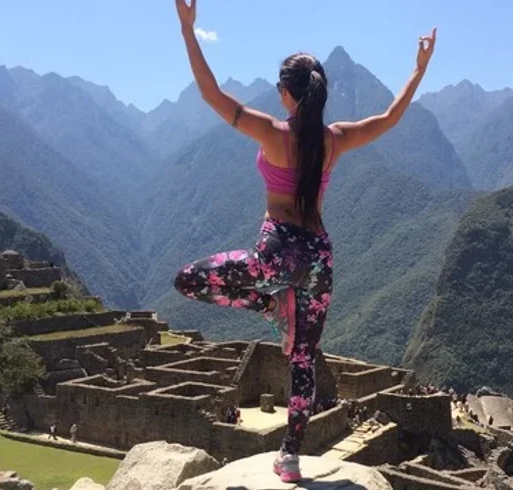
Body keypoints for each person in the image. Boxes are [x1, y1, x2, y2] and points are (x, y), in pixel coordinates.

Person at [172, 0, 436, 483]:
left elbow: (210, 93)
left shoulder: (272, 132)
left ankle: (270, 307)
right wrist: (418, 70)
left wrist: (188, 30)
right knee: (303, 359)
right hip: (318, 259)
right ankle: (290, 457)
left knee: (188, 281)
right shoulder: (335, 139)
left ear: (285, 92)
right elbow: (388, 118)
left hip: (274, 255)